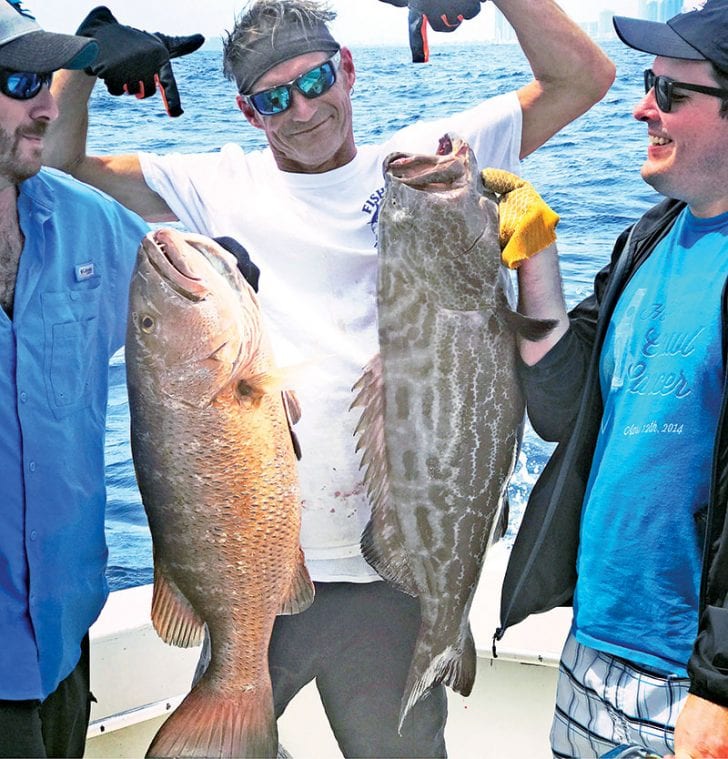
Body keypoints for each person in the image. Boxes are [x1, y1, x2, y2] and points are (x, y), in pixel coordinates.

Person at [44, 1, 615, 756]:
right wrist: (79, 64)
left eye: (315, 80)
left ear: (346, 67)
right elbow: (53, 164)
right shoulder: (211, 183)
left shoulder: (429, 162)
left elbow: (582, 78)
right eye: (275, 98)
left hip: (393, 576)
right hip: (262, 564)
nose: (304, 110)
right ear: (249, 111)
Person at [494, 1, 728, 757]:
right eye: (648, 83)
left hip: (693, 686)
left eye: (671, 93)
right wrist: (536, 256)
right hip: (594, 649)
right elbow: (562, 400)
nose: (642, 107)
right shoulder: (647, 236)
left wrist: (720, 686)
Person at [0, 2, 148, 756]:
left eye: (53, 80)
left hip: (62, 643)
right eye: (24, 80)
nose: (47, 104)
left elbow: (203, 288)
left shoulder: (85, 220)